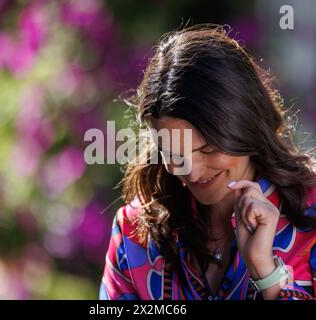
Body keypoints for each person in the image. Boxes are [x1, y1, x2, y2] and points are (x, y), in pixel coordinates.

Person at [99, 25, 316, 300]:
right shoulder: (134, 234)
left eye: (208, 148)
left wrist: (266, 275)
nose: (192, 171)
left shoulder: (311, 216)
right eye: (174, 154)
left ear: (245, 126)